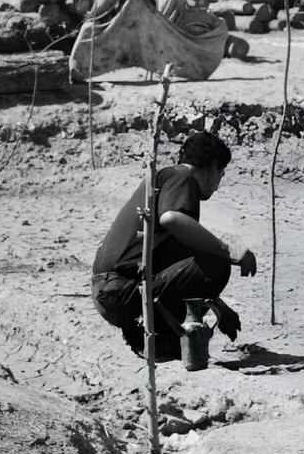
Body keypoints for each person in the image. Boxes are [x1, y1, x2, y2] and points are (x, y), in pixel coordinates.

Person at [91, 131, 256, 360]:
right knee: (217, 262)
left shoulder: (165, 180)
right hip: (119, 290)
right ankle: (160, 339)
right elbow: (171, 218)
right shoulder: (182, 176)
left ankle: (156, 336)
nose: (218, 185)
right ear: (211, 166)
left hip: (110, 292)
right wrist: (229, 251)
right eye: (221, 173)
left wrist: (219, 306)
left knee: (207, 254)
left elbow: (178, 263)